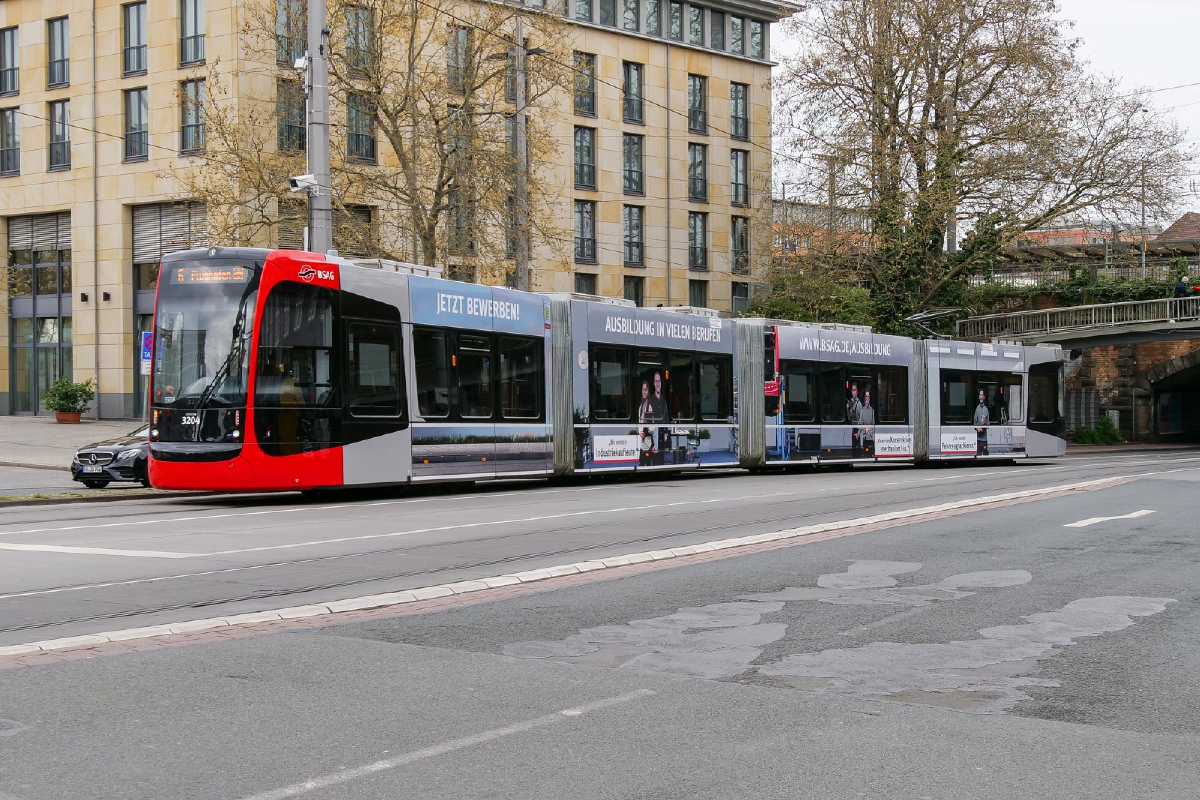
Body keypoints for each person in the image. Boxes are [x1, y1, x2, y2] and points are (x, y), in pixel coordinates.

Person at [847, 382, 863, 456]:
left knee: (857, 445)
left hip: (857, 427)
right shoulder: (850, 402)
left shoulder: (859, 404)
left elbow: (861, 419)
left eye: (855, 390)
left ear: (857, 392)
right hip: (852, 426)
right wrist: (847, 408)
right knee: (852, 445)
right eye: (852, 390)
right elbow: (849, 417)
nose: (853, 392)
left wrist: (859, 432)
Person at [859, 389, 876, 456]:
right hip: (865, 437)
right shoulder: (862, 410)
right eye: (866, 396)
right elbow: (860, 424)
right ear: (864, 398)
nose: (867, 398)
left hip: (871, 437)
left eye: (868, 397)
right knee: (865, 454)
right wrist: (865, 430)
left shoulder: (872, 410)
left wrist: (873, 435)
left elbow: (873, 424)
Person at [973, 388, 990, 454]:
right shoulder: (977, 409)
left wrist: (984, 426)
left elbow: (988, 423)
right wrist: (977, 428)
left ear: (984, 397)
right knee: (978, 454)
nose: (981, 396)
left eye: (982, 395)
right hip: (978, 439)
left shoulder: (986, 409)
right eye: (980, 395)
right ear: (978, 397)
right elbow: (974, 422)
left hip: (984, 438)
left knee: (985, 455)